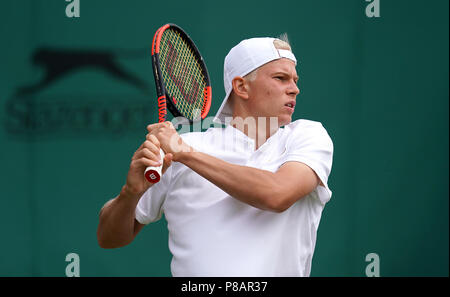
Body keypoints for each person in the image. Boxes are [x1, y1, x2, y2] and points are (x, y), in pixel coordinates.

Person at [97, 35, 334, 277]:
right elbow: (109, 238)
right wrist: (130, 192)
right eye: (280, 78)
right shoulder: (178, 150)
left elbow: (277, 194)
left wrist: (185, 154)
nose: (295, 88)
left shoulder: (308, 136)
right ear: (241, 86)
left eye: (294, 80)